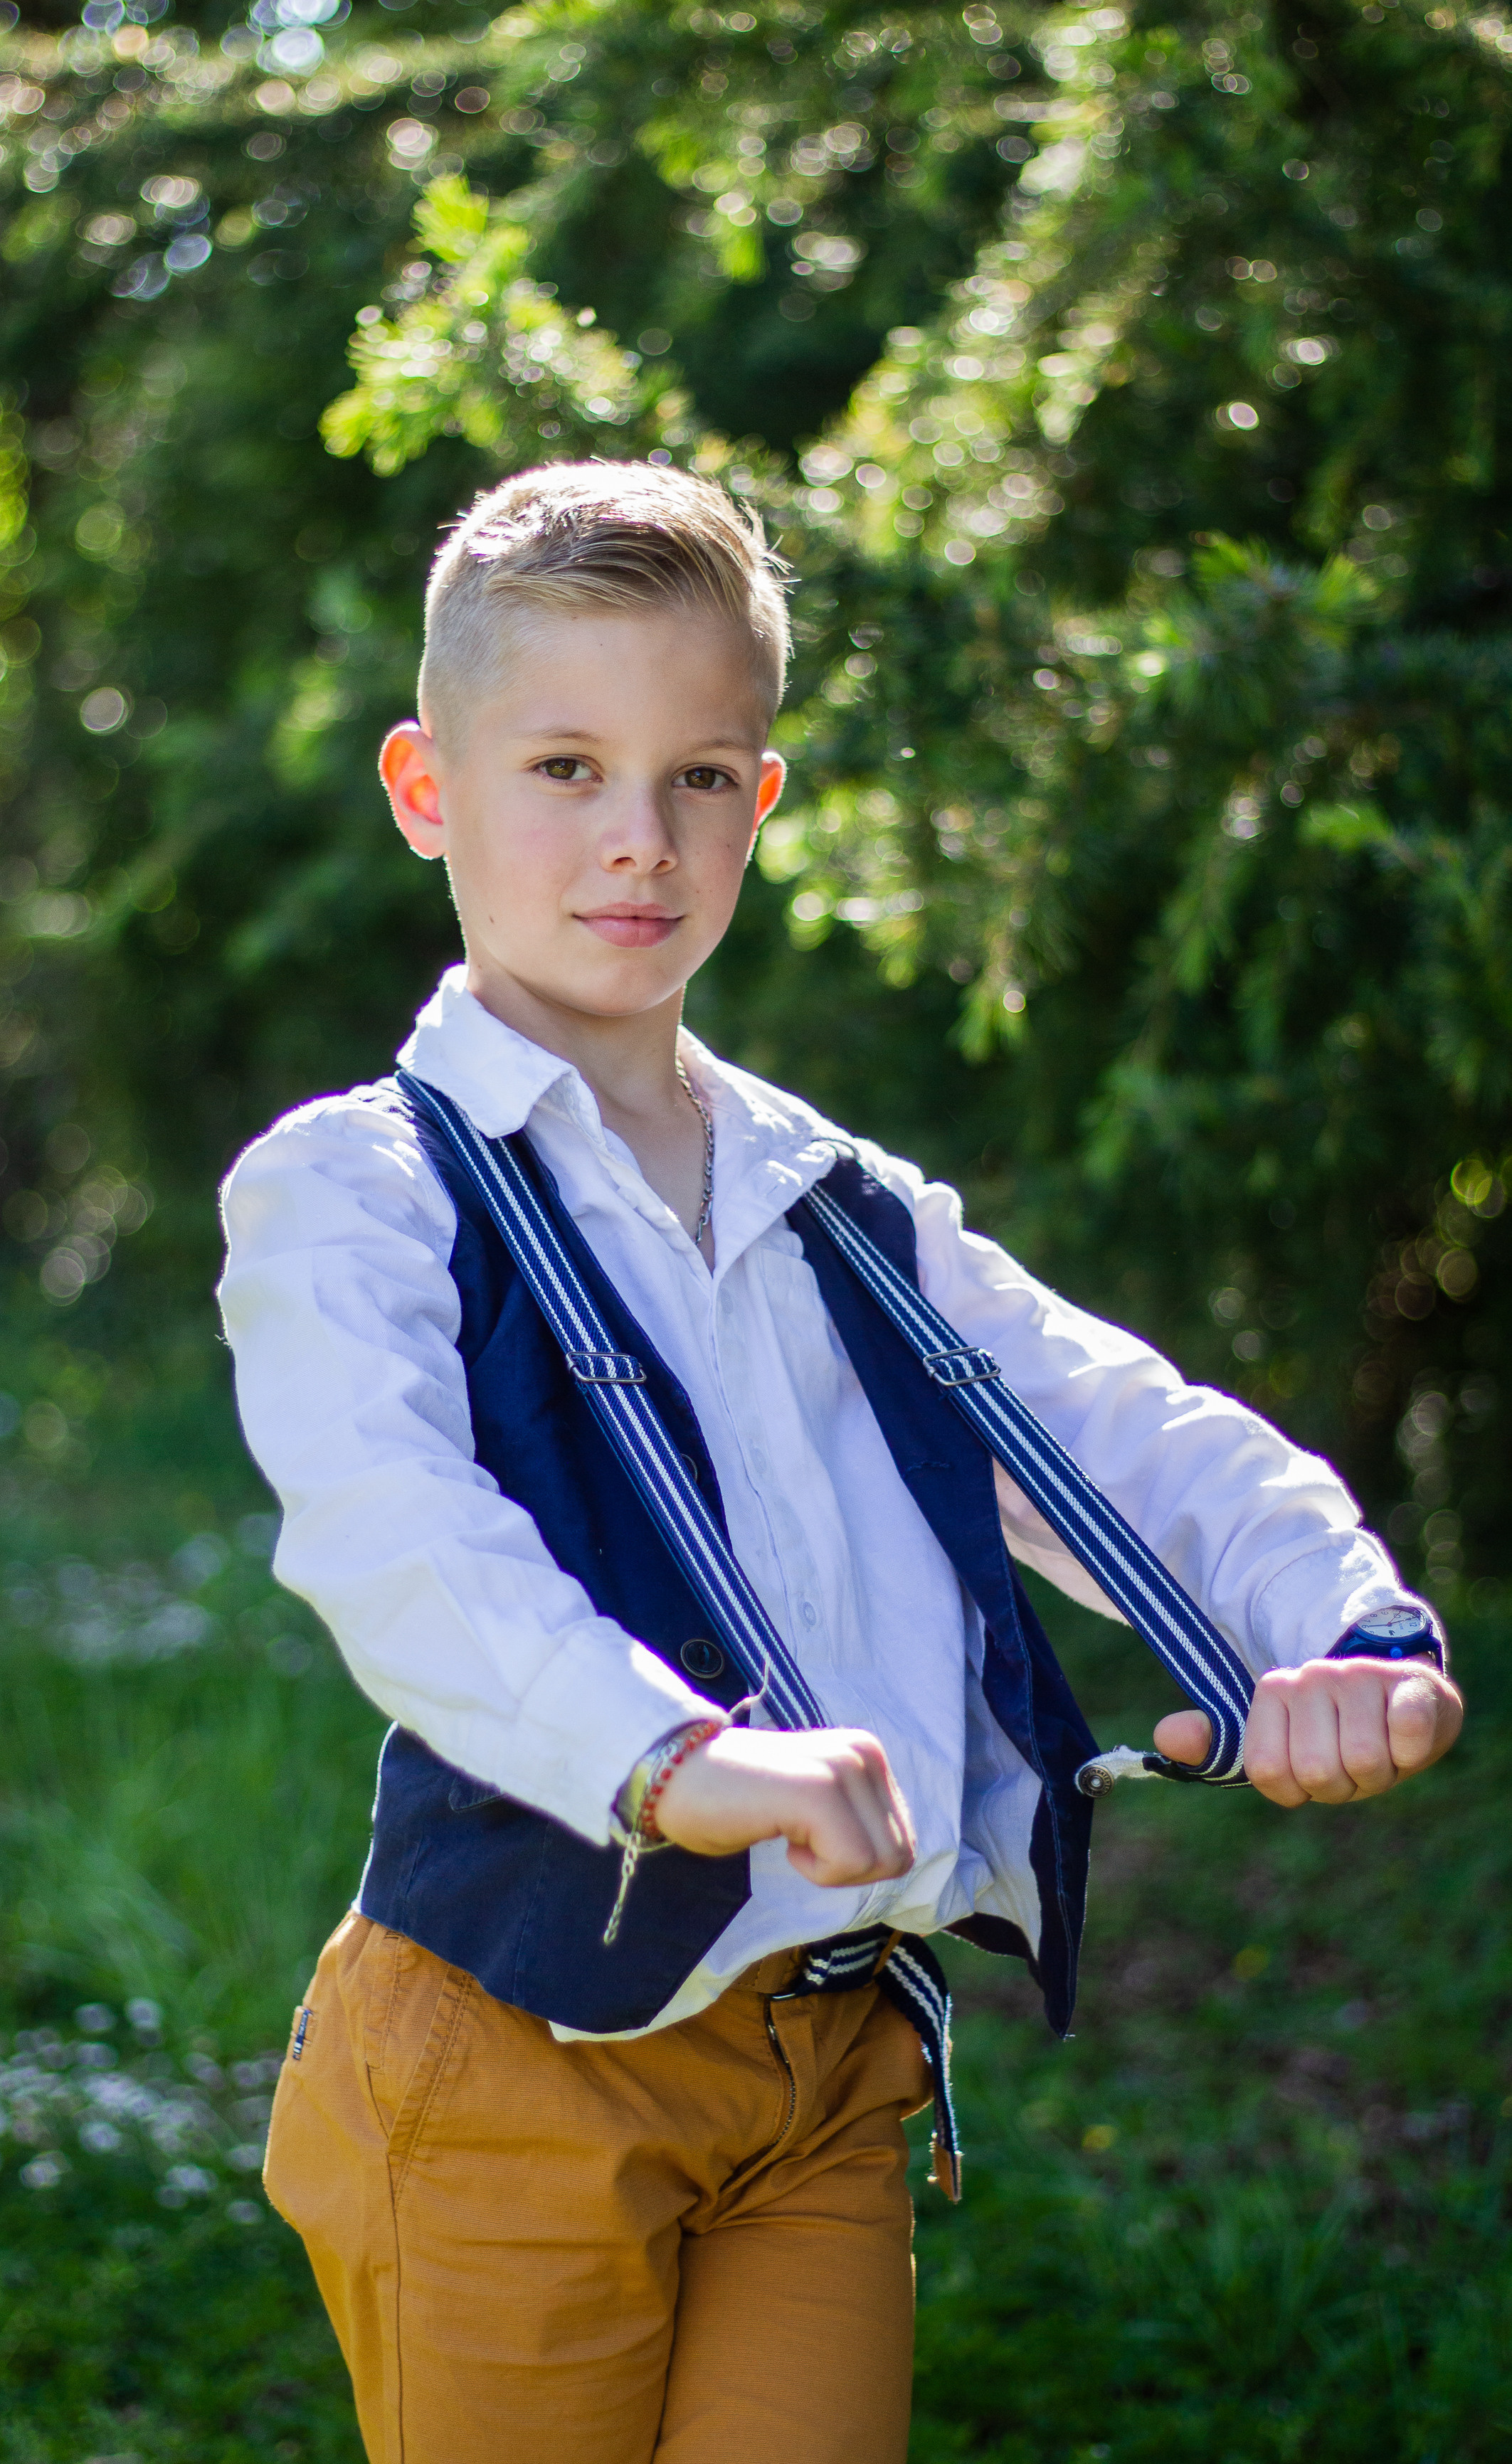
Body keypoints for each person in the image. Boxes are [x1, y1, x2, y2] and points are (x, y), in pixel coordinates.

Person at [216, 460, 1461, 2464]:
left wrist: (1336, 1624)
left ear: (762, 803)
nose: (639, 839)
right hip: (514, 2060)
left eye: (701, 776)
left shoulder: (840, 1201)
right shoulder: (361, 1189)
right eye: (563, 766)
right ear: (427, 790)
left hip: (825, 2060)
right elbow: (401, 1545)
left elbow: (1119, 1427)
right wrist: (675, 1760)